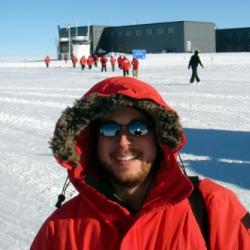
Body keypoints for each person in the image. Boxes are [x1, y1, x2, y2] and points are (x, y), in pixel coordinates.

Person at [30, 76, 250, 250]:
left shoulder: (214, 208)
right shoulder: (60, 230)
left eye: (138, 129)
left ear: (159, 137)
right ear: (92, 142)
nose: (123, 141)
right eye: (110, 129)